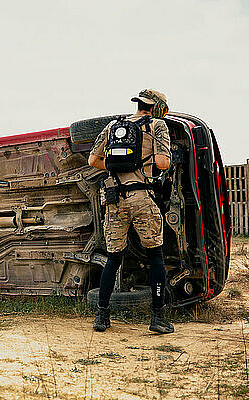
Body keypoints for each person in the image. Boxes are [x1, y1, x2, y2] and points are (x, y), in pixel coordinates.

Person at [88, 89, 174, 334]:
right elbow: (162, 163)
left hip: (114, 199)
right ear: (157, 107)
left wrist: (118, 165)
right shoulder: (157, 125)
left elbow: (93, 160)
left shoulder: (114, 126)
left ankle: (102, 317)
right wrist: (140, 164)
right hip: (141, 198)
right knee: (155, 255)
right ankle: (157, 317)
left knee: (113, 258)